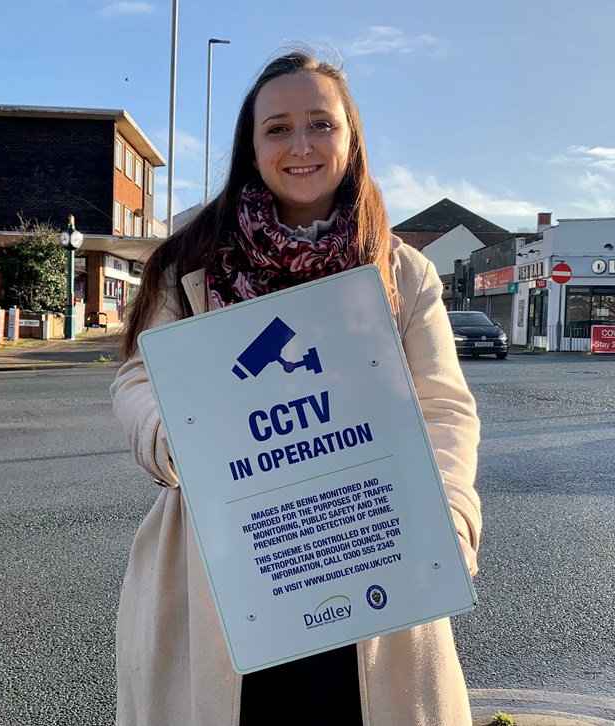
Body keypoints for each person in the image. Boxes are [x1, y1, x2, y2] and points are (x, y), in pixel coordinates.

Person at [110, 49, 482, 726]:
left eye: (321, 123)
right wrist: (176, 440)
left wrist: (452, 511)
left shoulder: (403, 271)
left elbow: (443, 408)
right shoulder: (190, 261)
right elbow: (139, 378)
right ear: (250, 149)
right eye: (277, 128)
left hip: (374, 544)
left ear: (351, 137)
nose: (301, 144)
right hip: (224, 562)